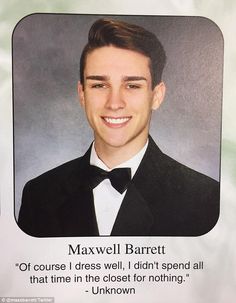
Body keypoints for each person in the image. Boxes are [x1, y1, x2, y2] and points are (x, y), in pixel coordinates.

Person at [18, 18, 220, 237]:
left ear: (156, 96)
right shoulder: (38, 195)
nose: (114, 103)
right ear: (82, 94)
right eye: (99, 85)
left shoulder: (204, 198)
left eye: (132, 85)